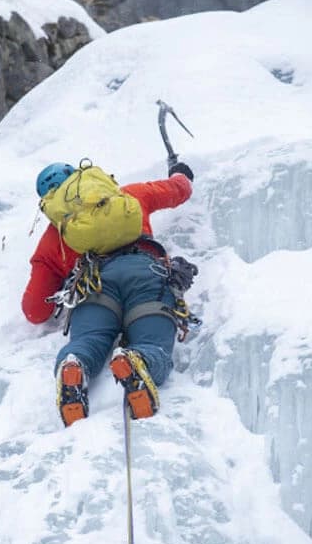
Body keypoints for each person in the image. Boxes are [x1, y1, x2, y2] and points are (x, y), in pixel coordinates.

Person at [22, 160, 194, 426]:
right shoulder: (127, 195)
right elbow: (176, 190)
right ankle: (140, 359)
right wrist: (181, 173)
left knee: (89, 339)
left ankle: (75, 364)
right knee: (153, 341)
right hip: (146, 274)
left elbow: (35, 310)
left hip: (94, 284)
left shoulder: (54, 237)